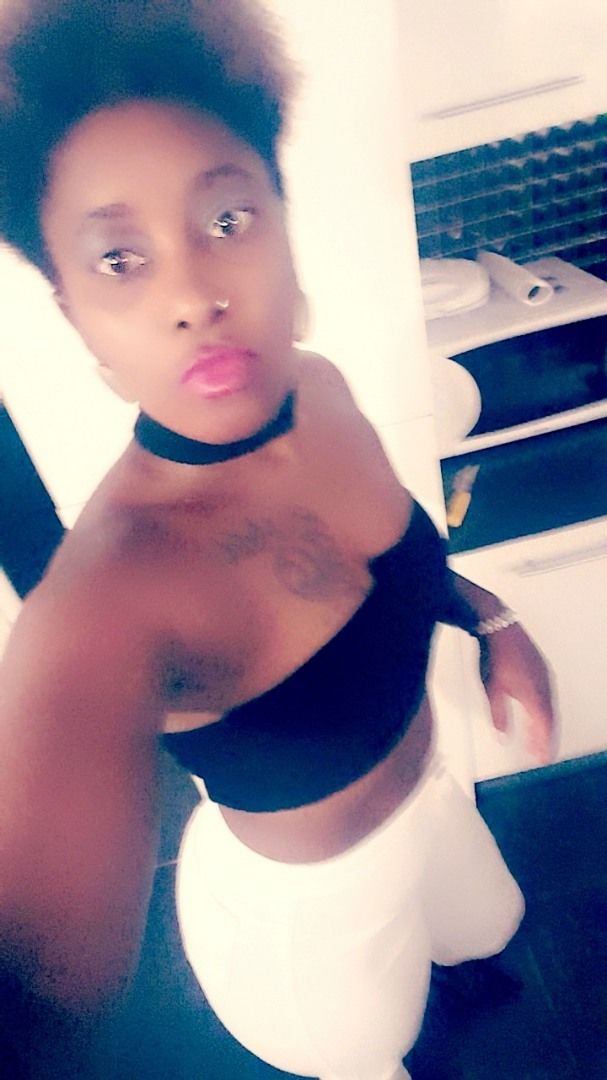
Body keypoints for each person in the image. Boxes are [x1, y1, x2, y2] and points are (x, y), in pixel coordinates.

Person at [0, 2, 556, 1077]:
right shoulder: (109, 599)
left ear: (285, 226)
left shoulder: (323, 390)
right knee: (375, 1050)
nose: (194, 295)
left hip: (433, 797)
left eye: (225, 219)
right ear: (72, 314)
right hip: (314, 935)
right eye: (120, 259)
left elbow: (400, 572)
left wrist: (493, 621)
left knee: (488, 930)